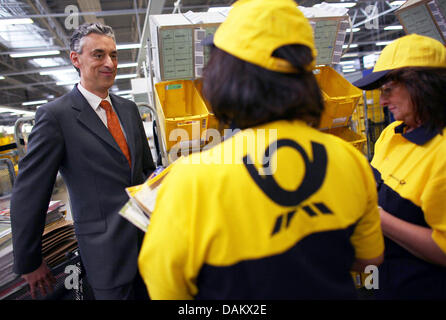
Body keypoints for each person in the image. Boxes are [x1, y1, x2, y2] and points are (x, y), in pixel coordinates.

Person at [138, 0, 384, 299]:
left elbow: (168, 293)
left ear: (225, 75)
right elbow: (370, 259)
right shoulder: (350, 161)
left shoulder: (190, 182)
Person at [10, 22, 155, 300]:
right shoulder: (56, 117)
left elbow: (145, 171)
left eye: (113, 55)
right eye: (98, 55)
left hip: (148, 245)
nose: (109, 63)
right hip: (105, 253)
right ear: (75, 59)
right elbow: (30, 192)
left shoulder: (128, 109)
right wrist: (29, 260)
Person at [353, 34, 446, 299]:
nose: (382, 101)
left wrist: (376, 216)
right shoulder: (391, 133)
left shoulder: (441, 152)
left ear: (422, 85)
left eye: (388, 89)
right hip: (382, 285)